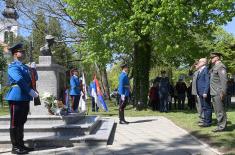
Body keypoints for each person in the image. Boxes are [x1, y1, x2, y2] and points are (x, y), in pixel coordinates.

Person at [5, 43, 38, 154]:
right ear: (15, 54)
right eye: (21, 51)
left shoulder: (25, 66)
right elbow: (18, 79)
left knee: (22, 121)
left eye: (23, 51)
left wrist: (34, 70)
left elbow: (34, 79)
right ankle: (15, 147)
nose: (23, 53)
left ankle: (21, 145)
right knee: (15, 122)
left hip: (24, 97)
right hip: (16, 96)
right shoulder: (13, 66)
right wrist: (29, 91)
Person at [210, 52, 228, 132]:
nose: (211, 59)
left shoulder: (221, 66)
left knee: (220, 110)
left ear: (217, 58)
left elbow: (224, 80)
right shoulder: (214, 67)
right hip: (213, 92)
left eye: (212, 57)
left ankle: (222, 126)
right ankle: (220, 125)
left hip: (218, 92)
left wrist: (223, 92)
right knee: (217, 110)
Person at [196, 58, 212, 127]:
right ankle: (205, 121)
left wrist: (205, 91)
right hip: (200, 92)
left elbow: (207, 82)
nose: (198, 63)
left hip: (204, 92)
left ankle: (208, 122)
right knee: (203, 107)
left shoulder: (206, 69)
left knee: (207, 107)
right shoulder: (200, 70)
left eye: (199, 61)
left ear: (204, 62)